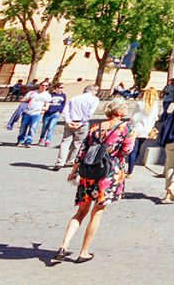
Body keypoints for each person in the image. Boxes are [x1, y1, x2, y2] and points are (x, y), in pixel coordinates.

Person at [53, 97, 133, 263]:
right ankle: (84, 252)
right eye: (124, 109)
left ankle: (64, 245)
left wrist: (74, 171)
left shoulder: (96, 127)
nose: (126, 111)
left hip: (89, 173)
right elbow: (126, 151)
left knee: (81, 211)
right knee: (97, 213)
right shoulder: (125, 128)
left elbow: (82, 150)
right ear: (119, 112)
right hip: (109, 174)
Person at [53, 85, 101, 171]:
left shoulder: (75, 98)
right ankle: (70, 160)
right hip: (82, 123)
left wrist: (68, 121)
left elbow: (65, 111)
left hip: (71, 121)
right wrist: (81, 122)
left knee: (65, 142)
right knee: (77, 143)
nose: (96, 93)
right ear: (92, 91)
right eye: (96, 91)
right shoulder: (94, 100)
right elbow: (89, 113)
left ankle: (60, 162)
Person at [126, 88, 161, 177]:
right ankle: (131, 167)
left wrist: (130, 126)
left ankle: (130, 170)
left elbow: (134, 116)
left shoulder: (139, 104)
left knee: (133, 149)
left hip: (136, 128)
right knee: (138, 148)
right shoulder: (155, 105)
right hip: (146, 130)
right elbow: (155, 118)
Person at [17, 81, 52, 147]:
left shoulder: (47, 95)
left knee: (33, 128)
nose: (44, 87)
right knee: (23, 128)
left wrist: (45, 108)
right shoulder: (32, 92)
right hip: (27, 112)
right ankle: (20, 140)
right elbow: (22, 100)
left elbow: (47, 104)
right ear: (40, 85)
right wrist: (27, 99)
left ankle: (28, 141)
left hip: (37, 113)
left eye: (46, 86)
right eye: (43, 85)